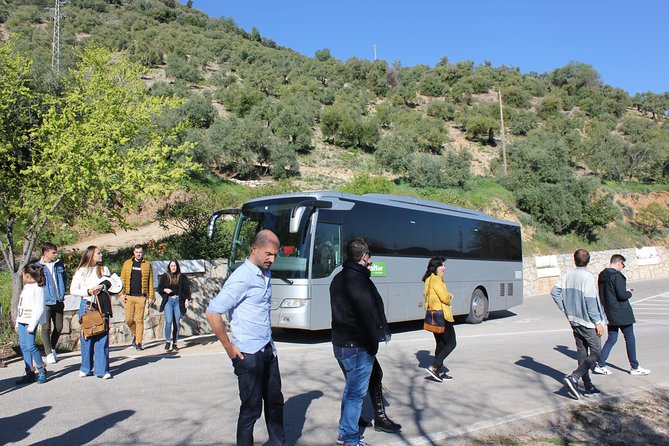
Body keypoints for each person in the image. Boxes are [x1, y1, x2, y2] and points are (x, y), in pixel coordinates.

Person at [206, 230, 286, 446]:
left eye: (275, 255)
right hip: (248, 354)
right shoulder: (242, 277)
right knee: (251, 411)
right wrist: (229, 347)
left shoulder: (265, 274)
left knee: (275, 403)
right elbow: (213, 311)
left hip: (268, 350)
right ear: (254, 249)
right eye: (269, 254)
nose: (272, 259)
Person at [330, 237, 392, 446]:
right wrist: (373, 344)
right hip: (357, 346)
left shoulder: (338, 278)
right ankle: (350, 438)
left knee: (351, 390)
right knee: (356, 394)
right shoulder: (360, 281)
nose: (371, 262)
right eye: (369, 258)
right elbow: (367, 316)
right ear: (364, 256)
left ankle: (346, 429)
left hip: (340, 344)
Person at [551, 248, 607, 400]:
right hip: (588, 323)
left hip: (574, 320)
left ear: (574, 260)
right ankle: (574, 377)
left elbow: (554, 291)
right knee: (596, 353)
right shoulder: (587, 277)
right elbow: (590, 302)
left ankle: (587, 386)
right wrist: (598, 322)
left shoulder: (569, 275)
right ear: (588, 261)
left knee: (582, 353)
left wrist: (565, 308)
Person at [594, 254, 651, 376]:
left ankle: (601, 363)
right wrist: (629, 292)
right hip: (621, 312)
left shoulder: (602, 275)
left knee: (612, 338)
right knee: (630, 338)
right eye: (623, 265)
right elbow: (622, 295)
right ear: (619, 262)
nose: (622, 267)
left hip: (609, 311)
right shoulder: (616, 276)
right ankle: (634, 367)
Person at [70, 246, 113, 379]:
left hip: (102, 305)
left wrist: (103, 286)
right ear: (91, 255)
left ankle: (101, 370)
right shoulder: (81, 271)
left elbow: (112, 283)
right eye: (98, 253)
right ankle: (85, 367)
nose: (101, 255)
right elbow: (73, 290)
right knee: (87, 336)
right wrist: (88, 291)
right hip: (87, 305)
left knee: (102, 336)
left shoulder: (104, 269)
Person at [422, 256, 457, 382]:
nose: (444, 268)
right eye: (442, 265)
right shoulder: (437, 280)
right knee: (452, 343)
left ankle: (440, 372)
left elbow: (427, 298)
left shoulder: (428, 279)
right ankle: (434, 367)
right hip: (443, 316)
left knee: (441, 343)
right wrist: (450, 295)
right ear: (436, 267)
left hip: (433, 316)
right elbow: (445, 298)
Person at [15, 264, 48, 384]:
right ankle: (29, 371)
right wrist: (18, 322)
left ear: (27, 275)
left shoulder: (38, 288)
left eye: (23, 274)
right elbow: (21, 305)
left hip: (30, 322)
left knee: (31, 346)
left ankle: (41, 370)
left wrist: (32, 325)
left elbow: (38, 308)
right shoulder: (26, 287)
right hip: (22, 320)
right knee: (24, 347)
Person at [36, 242, 67, 364]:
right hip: (45, 301)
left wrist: (63, 291)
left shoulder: (59, 264)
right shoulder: (38, 267)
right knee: (46, 327)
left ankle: (52, 348)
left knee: (59, 327)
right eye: (53, 252)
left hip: (58, 300)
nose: (55, 254)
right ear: (46, 253)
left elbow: (64, 278)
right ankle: (48, 353)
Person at [120, 244, 155, 351]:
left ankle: (139, 342)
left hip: (141, 297)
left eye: (140, 252)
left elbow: (150, 281)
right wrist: (121, 293)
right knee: (129, 319)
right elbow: (121, 279)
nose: (138, 254)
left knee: (139, 320)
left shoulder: (147, 265)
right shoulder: (127, 263)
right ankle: (135, 334)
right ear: (133, 253)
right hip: (129, 296)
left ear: (142, 253)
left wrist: (151, 296)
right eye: (137, 252)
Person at [158, 260, 192, 352]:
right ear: (169, 267)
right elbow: (159, 288)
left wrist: (186, 300)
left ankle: (175, 343)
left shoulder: (182, 277)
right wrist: (165, 290)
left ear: (177, 267)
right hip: (168, 300)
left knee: (176, 322)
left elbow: (186, 290)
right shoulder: (165, 276)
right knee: (169, 321)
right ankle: (168, 341)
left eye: (175, 266)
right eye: (172, 266)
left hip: (178, 301)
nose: (173, 267)